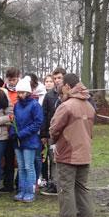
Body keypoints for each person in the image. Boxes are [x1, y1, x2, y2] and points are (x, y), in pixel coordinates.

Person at [49, 73, 98, 217]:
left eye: (62, 85)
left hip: (68, 153)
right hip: (84, 153)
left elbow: (54, 129)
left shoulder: (66, 106)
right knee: (82, 188)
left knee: (66, 189)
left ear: (68, 87)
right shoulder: (89, 106)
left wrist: (53, 140)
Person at [10, 76, 43, 203]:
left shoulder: (35, 105)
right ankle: (22, 190)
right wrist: (13, 132)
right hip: (18, 141)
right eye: (18, 92)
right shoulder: (17, 105)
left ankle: (30, 191)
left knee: (29, 166)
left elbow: (37, 123)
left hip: (29, 140)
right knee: (21, 167)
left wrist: (22, 133)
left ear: (28, 92)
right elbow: (14, 120)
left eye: (22, 92)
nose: (20, 94)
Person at [40, 67, 66, 195]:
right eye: (55, 78)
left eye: (59, 78)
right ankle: (54, 183)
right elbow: (44, 115)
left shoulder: (69, 94)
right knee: (53, 158)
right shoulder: (49, 96)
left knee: (67, 159)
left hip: (67, 133)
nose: (57, 81)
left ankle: (65, 184)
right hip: (52, 133)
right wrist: (44, 134)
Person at [2, 67, 21, 192]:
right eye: (10, 80)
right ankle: (7, 184)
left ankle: (20, 182)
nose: (12, 82)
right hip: (6, 128)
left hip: (19, 127)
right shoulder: (3, 91)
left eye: (14, 80)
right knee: (8, 158)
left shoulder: (22, 90)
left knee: (20, 158)